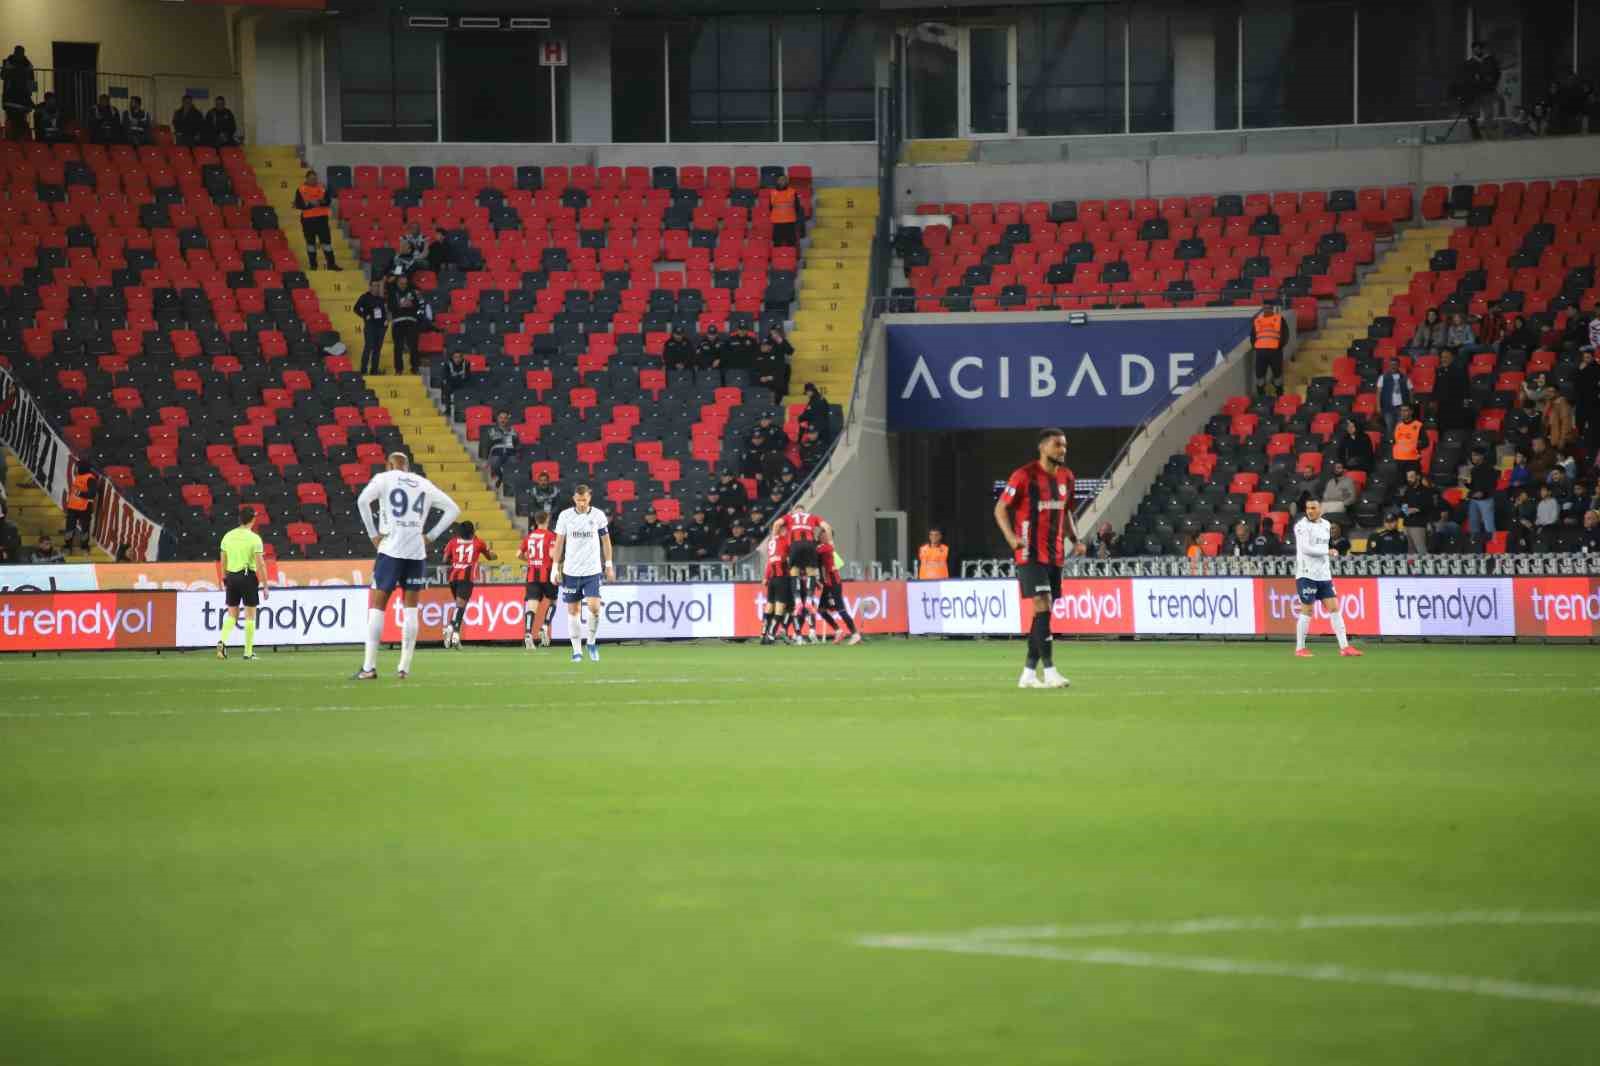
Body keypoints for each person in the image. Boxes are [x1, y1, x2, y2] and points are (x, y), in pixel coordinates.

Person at [353, 452, 462, 680]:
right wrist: (430, 536)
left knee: (378, 606)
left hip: (390, 550)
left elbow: (362, 501)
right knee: (411, 609)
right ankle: (404, 668)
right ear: (408, 466)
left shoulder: (384, 478)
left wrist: (373, 534)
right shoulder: (423, 483)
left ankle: (369, 667)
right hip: (416, 553)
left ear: (389, 464)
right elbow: (454, 510)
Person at [993, 428, 1077, 690]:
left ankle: (1028, 674)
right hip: (1029, 552)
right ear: (1042, 447)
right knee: (1043, 604)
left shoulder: (1067, 477)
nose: (1062, 450)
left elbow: (1067, 511)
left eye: (1064, 445)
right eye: (1057, 445)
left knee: (1044, 612)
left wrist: (1075, 540)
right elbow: (1000, 508)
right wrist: (1011, 537)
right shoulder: (1024, 475)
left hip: (1055, 555)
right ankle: (1050, 672)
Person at [551, 484, 614, 664]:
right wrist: (555, 567)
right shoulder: (565, 516)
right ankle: (577, 650)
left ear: (589, 498)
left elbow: (606, 542)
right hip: (571, 571)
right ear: (574, 499)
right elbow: (559, 543)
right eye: (579, 500)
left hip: (592, 570)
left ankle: (591, 642)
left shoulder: (598, 515)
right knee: (573, 611)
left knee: (594, 608)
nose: (581, 503)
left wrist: (609, 565)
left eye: (584, 500)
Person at [1292, 499, 1361, 658]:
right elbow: (1305, 549)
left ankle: (1345, 647)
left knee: (1334, 608)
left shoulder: (1326, 525)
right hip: (1307, 574)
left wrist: (1329, 552)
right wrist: (1327, 552)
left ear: (1320, 510)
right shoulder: (1301, 526)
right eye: (1308, 508)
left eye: (1313, 508)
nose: (1310, 511)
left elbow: (1323, 546)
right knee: (1307, 609)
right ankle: (1300, 648)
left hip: (1323, 575)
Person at [214, 506, 269, 661]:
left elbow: (223, 560)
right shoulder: (254, 539)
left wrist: (224, 578)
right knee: (250, 616)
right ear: (253, 519)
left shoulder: (227, 536)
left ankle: (222, 641)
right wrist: (265, 585)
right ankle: (248, 652)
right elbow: (260, 564)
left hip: (231, 577)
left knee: (232, 614)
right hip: (247, 576)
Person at [779, 506, 832, 645]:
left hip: (801, 580)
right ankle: (797, 634)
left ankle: (809, 632)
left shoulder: (791, 539)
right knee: (800, 606)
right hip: (802, 579)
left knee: (802, 605)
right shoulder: (811, 543)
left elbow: (822, 563)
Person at [440, 520, 494, 650]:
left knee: (460, 606)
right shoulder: (478, 542)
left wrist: (455, 559)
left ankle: (454, 634)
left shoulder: (453, 541)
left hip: (453, 577)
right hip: (466, 578)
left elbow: (444, 560)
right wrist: (491, 552)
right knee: (460, 606)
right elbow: (490, 557)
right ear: (472, 532)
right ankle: (452, 629)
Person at [518, 510, 560, 649]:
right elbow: (552, 554)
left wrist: (530, 560)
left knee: (531, 605)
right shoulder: (551, 536)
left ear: (536, 521)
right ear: (547, 520)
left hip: (532, 574)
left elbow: (518, 554)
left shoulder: (529, 536)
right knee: (553, 600)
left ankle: (528, 633)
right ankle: (545, 626)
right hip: (547, 573)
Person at [815, 528, 860, 645]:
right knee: (821, 610)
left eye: (824, 535)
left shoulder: (826, 547)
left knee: (841, 609)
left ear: (829, 537)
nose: (821, 536)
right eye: (821, 534)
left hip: (834, 583)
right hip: (828, 584)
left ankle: (855, 634)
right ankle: (838, 631)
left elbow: (814, 552)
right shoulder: (822, 547)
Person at [293, 169, 338, 270]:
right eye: (311, 179)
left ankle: (331, 265)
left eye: (315, 179)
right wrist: (310, 204)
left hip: (322, 220)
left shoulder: (322, 188)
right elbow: (298, 204)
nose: (313, 181)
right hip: (308, 221)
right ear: (306, 179)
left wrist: (321, 202)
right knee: (310, 244)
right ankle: (313, 266)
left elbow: (328, 201)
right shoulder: (301, 189)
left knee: (327, 243)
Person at [759, 518, 792, 646]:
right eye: (785, 529)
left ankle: (763, 634)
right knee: (780, 608)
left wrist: (766, 577)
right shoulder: (785, 540)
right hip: (781, 577)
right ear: (782, 529)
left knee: (769, 605)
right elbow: (789, 556)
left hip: (772, 578)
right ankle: (771, 635)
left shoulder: (771, 542)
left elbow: (770, 561)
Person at [1461, 40, 1501, 140]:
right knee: (1473, 114)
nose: (1476, 50)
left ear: (1482, 49)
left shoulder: (1490, 60)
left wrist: (1492, 83)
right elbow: (1466, 77)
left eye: (1478, 48)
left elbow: (1497, 73)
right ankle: (1476, 135)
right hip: (1475, 93)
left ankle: (1488, 134)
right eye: (1474, 49)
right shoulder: (1470, 62)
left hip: (1487, 91)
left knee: (1488, 113)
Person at [388, 272, 422, 374]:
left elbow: (418, 306)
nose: (403, 285)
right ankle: (399, 369)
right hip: (398, 322)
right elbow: (390, 307)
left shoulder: (412, 292)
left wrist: (411, 305)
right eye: (401, 283)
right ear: (397, 283)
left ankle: (415, 367)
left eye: (405, 284)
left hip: (411, 321)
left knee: (413, 345)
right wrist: (400, 306)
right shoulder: (393, 293)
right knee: (398, 346)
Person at [1251, 299, 1285, 395]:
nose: (1267, 310)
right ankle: (1261, 397)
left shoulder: (1279, 319)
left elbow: (1285, 335)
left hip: (1275, 352)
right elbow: (1253, 336)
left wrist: (1279, 346)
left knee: (1277, 374)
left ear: (1272, 309)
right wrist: (1257, 348)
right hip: (1261, 353)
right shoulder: (1257, 320)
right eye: (1265, 308)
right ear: (1262, 309)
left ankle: (1279, 395)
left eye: (1269, 308)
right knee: (1260, 376)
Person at [354, 278, 388, 376]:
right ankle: (363, 370)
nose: (376, 288)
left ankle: (374, 370)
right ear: (370, 287)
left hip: (381, 326)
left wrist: (386, 320)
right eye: (374, 286)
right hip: (370, 325)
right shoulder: (364, 297)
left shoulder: (381, 299)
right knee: (368, 346)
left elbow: (384, 311)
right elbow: (356, 308)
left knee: (377, 349)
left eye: (378, 286)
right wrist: (365, 315)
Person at [1, 46, 34, 141]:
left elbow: (31, 82)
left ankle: (14, 140)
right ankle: (14, 140)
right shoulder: (27, 64)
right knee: (16, 121)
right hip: (15, 98)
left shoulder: (10, 62)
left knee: (17, 122)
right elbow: (31, 82)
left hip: (15, 98)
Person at [1463, 447, 1497, 536]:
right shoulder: (1474, 470)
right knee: (1473, 525)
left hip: (1486, 500)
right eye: (1472, 455)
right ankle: (1475, 542)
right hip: (1474, 500)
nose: (1473, 457)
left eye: (1475, 455)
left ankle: (1493, 543)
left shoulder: (1490, 469)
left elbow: (1493, 485)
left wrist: (1483, 492)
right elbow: (1474, 486)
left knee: (1489, 526)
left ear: (1482, 456)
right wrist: (1466, 484)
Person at [63, 466, 97, 552]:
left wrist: (80, 493)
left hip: (84, 508)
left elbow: (92, 494)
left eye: (77, 467)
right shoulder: (78, 476)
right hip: (72, 507)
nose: (75, 469)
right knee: (69, 528)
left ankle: (84, 546)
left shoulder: (90, 478)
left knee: (84, 529)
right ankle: (67, 546)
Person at [1390, 404, 1427, 477]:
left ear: (1411, 412)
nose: (1403, 413)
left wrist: (1415, 447)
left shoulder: (1418, 425)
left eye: (1405, 410)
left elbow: (1425, 442)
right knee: (1400, 482)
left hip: (1412, 460)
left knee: (1412, 482)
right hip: (1398, 459)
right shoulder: (1398, 426)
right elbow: (1395, 441)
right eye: (1401, 411)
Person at [483, 410, 518, 488]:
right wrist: (486, 460)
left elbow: (517, 444)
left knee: (514, 462)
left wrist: (516, 452)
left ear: (507, 420)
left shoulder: (513, 431)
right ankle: (501, 477)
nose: (503, 420)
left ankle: (506, 481)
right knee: (495, 462)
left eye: (505, 418)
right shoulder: (491, 431)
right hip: (497, 453)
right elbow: (486, 446)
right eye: (501, 418)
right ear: (497, 419)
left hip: (510, 453)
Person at [1376, 363, 1412, 434]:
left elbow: (1411, 391)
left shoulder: (1405, 377)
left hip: (1401, 408)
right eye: (1392, 364)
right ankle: (1391, 440)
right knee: (1389, 428)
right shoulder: (1383, 377)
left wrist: (1410, 405)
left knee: (1401, 428)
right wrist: (1378, 406)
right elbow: (1378, 393)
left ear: (1398, 366)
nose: (1393, 366)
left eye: (1395, 364)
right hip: (1388, 407)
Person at [1577, 348, 1600, 453]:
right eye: (1584, 357)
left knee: (1594, 426)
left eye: (1588, 357)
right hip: (1583, 401)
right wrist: (1580, 371)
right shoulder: (1581, 368)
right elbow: (1577, 383)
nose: (1586, 359)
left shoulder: (1596, 368)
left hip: (1594, 402)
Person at [769, 174, 801, 247]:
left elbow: (797, 207)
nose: (782, 181)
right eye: (780, 180)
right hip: (777, 223)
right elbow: (770, 207)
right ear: (777, 181)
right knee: (777, 243)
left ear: (787, 181)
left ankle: (791, 254)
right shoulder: (772, 192)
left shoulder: (792, 192)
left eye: (783, 180)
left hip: (790, 222)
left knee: (791, 243)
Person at [440, 349, 471, 415]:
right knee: (446, 388)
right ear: (452, 358)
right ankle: (448, 410)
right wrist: (454, 377)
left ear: (462, 358)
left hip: (462, 383)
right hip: (451, 383)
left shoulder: (466, 364)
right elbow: (445, 376)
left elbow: (468, 376)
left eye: (459, 357)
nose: (457, 359)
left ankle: (463, 410)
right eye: (455, 357)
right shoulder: (447, 364)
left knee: (468, 387)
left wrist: (462, 377)